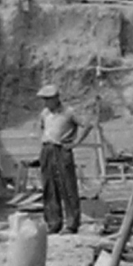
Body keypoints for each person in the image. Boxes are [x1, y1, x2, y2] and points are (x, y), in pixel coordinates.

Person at [37, 83, 83, 234]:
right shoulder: (44, 113)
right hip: (47, 149)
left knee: (67, 186)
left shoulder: (69, 112)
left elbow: (87, 124)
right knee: (49, 187)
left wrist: (75, 142)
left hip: (61, 149)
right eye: (44, 99)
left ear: (56, 98)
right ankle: (53, 223)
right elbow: (42, 128)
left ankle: (71, 223)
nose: (46, 102)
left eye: (48, 99)